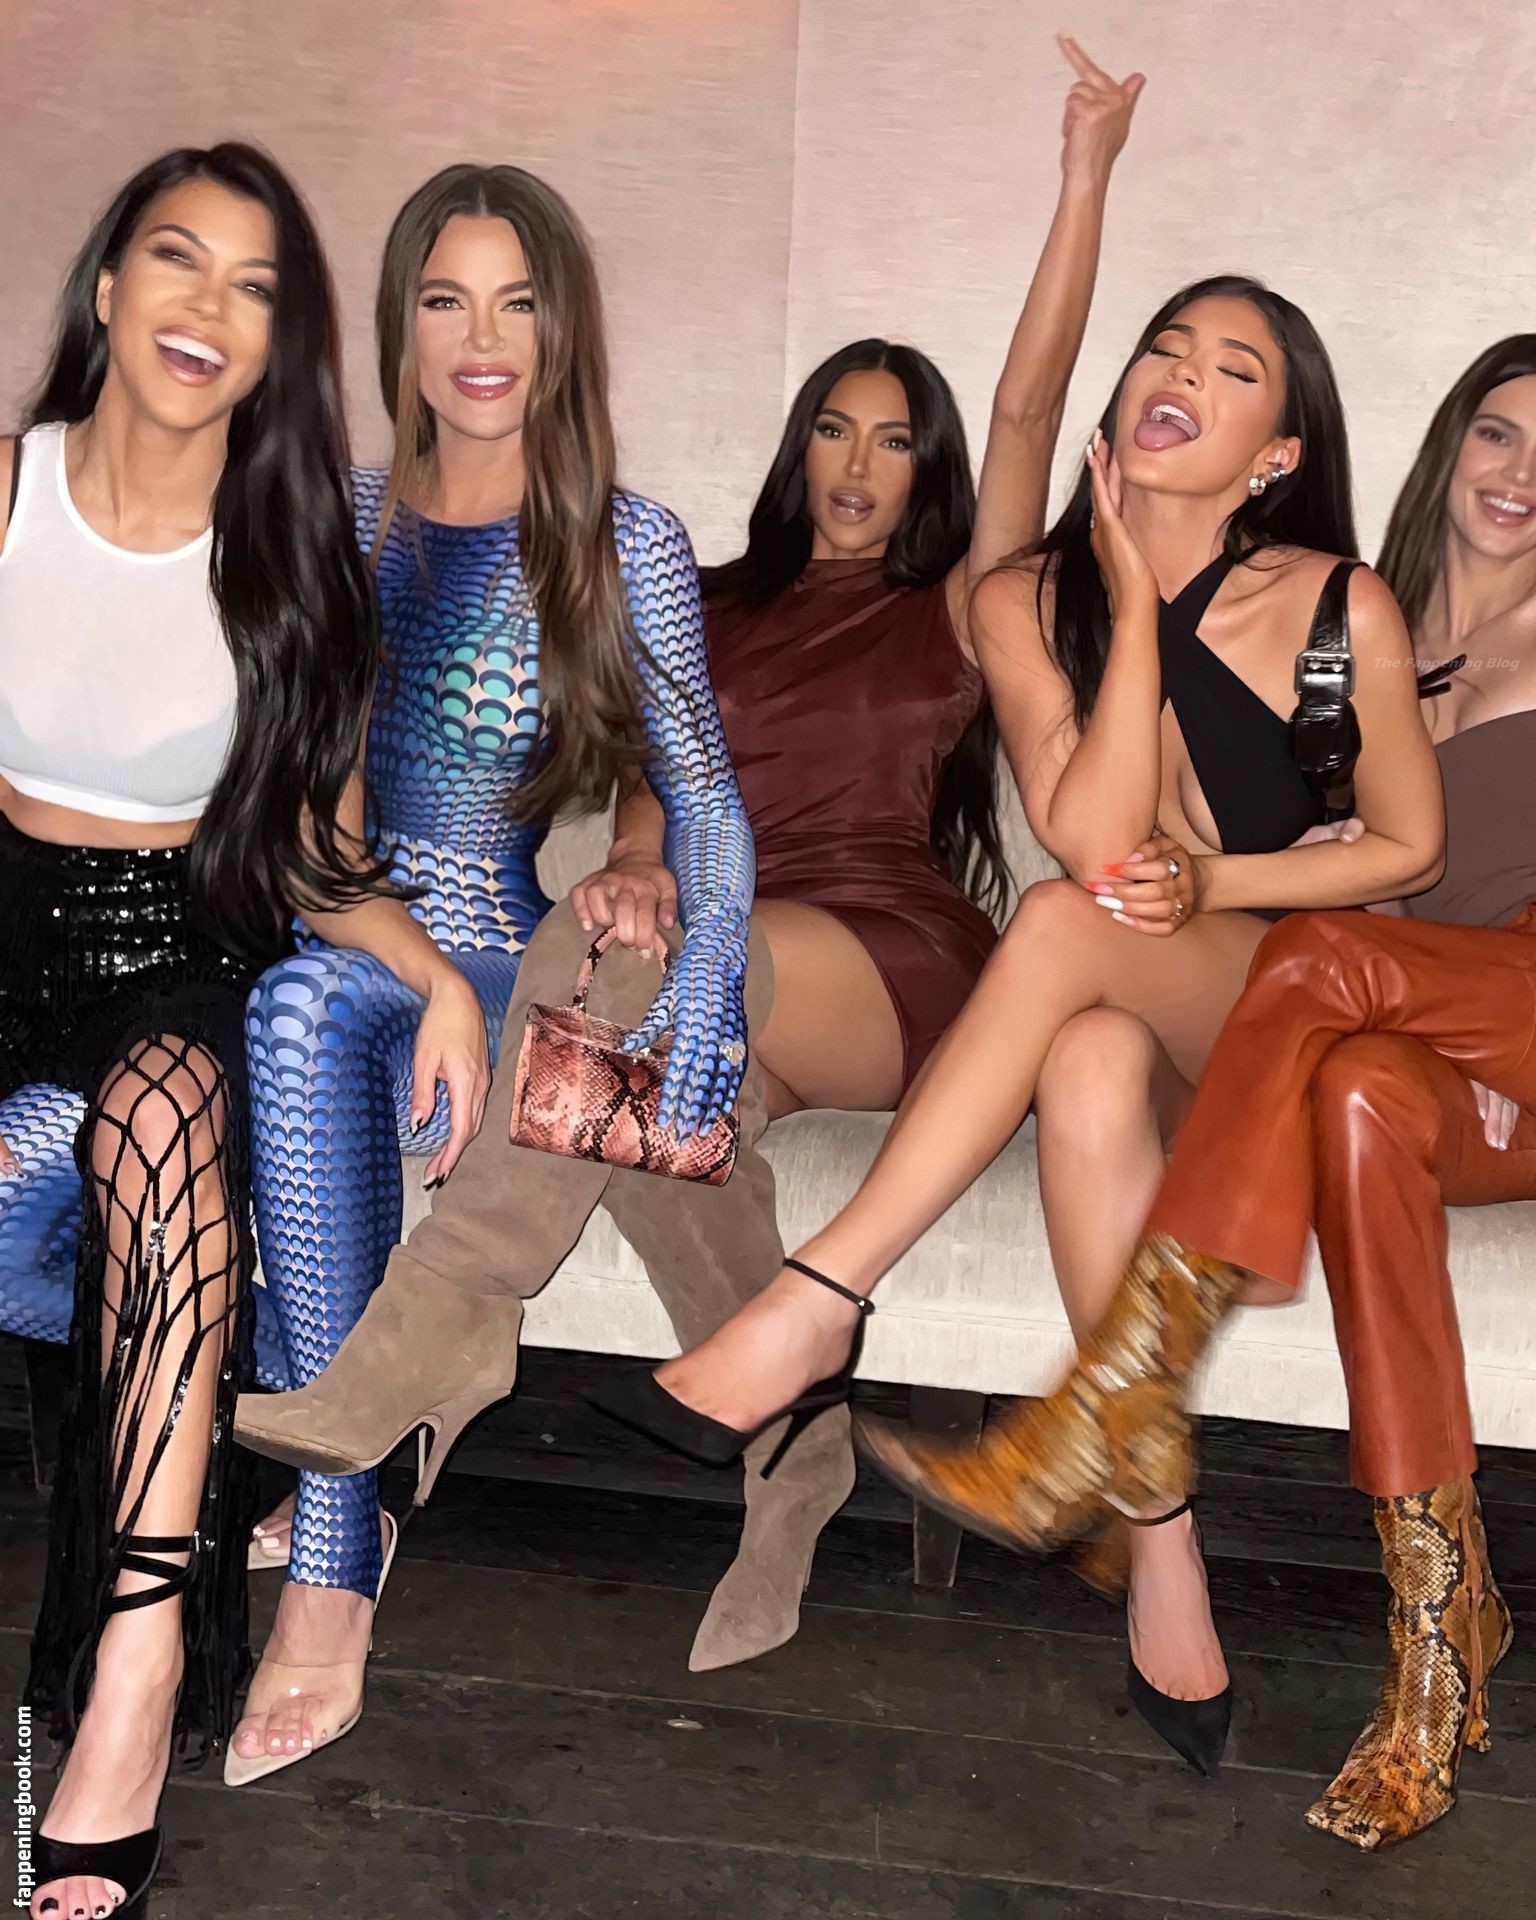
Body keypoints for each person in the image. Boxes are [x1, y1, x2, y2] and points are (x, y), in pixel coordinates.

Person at [230, 38, 1145, 1673]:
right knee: (659, 1134)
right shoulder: (694, 587)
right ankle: (797, 1467)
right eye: (833, 431)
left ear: (929, 469)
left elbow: (1025, 409)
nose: (858, 466)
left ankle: (443, 1328)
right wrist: (639, 862)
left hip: (883, 950)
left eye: (895, 441)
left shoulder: (960, 599)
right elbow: (675, 779)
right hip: (718, 934)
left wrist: (1084, 175)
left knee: (613, 988)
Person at [589, 271, 1447, 1776]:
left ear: (1278, 451)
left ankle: (822, 1296)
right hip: (1148, 1014)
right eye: (1166, 347)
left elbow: (1410, 847)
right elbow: (1097, 839)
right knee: (1089, 1051)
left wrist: (1223, 880)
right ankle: (1160, 1540)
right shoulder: (1028, 600)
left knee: (1060, 926)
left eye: (1233, 368)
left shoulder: (1338, 604)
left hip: (1290, 1003)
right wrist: (1133, 604)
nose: (1182, 373)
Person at [851, 336, 1536, 1849]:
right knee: (1357, 1094)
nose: (1522, 473)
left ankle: (1123, 1391)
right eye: (1499, 433)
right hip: (1419, 1038)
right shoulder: (1359, 623)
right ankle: (1440, 1639)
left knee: (1321, 967)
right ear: (1452, 445)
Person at [216, 161, 756, 1783]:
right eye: (445, 298)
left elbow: (705, 794)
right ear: (401, 323)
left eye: (516, 301)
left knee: (302, 1017)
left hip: (495, 945)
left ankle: (331, 1566)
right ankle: (353, 1480)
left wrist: (710, 995)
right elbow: (300, 805)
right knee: (279, 1013)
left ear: (562, 327)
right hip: (348, 922)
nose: (481, 337)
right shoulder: (344, 518)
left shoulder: (623, 538)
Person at [0, 144, 479, 1920]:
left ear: (279, 342)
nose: (208, 305)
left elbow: (312, 855)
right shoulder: (6, 493)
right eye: (175, 259)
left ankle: (134, 1683)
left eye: (255, 285)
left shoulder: (289, 562)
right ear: (107, 287)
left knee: (160, 1114)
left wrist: (436, 974)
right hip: (5, 937)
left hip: (179, 954)